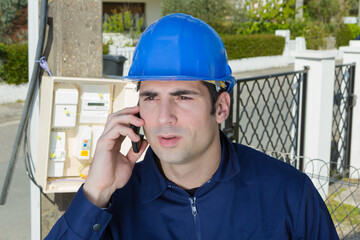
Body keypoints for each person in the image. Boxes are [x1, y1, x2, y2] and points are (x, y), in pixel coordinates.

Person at [46, 13, 339, 239]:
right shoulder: (112, 202)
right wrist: (95, 193)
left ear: (221, 107)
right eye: (150, 97)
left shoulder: (288, 193)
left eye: (183, 97)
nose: (163, 117)